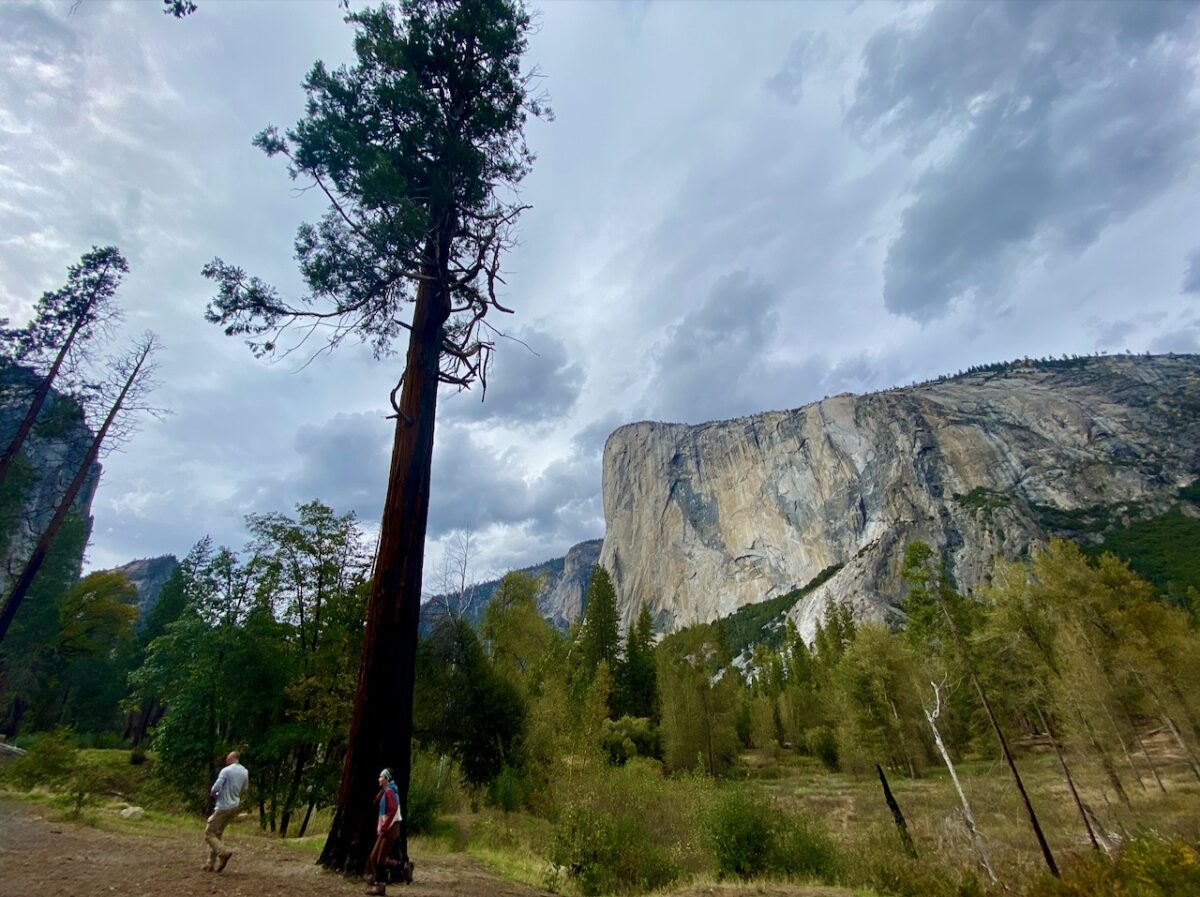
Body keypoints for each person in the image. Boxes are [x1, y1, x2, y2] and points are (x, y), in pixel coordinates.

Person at [203, 751, 248, 873]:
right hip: (234, 806)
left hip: (223, 806)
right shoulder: (245, 772)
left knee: (209, 834)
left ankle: (223, 853)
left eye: (228, 758)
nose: (226, 760)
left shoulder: (226, 771)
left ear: (233, 758)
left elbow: (215, 788)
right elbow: (244, 789)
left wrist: (215, 796)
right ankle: (210, 864)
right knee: (217, 834)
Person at [365, 768, 404, 895]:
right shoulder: (387, 791)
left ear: (387, 779)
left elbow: (392, 810)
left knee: (380, 859)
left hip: (389, 829)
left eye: (381, 777)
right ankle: (376, 879)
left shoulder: (390, 792)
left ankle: (381, 885)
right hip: (386, 829)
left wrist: (384, 826)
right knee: (373, 856)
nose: (379, 779)